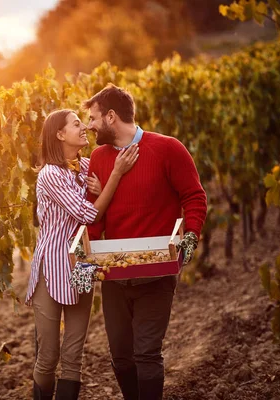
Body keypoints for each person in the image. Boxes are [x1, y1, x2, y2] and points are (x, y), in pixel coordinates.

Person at [83, 84, 207, 400]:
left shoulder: (168, 149)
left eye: (94, 118)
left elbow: (194, 197)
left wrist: (189, 241)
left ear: (111, 116)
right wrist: (88, 260)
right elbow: (93, 219)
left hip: (158, 273)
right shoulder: (98, 158)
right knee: (121, 359)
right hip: (114, 274)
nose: (89, 125)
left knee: (147, 355)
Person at [26, 108, 139, 400]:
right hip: (51, 269)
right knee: (49, 355)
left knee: (74, 357)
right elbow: (88, 213)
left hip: (82, 267)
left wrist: (103, 185)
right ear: (60, 134)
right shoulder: (50, 174)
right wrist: (113, 177)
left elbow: (105, 202)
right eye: (76, 124)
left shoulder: (87, 166)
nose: (83, 128)